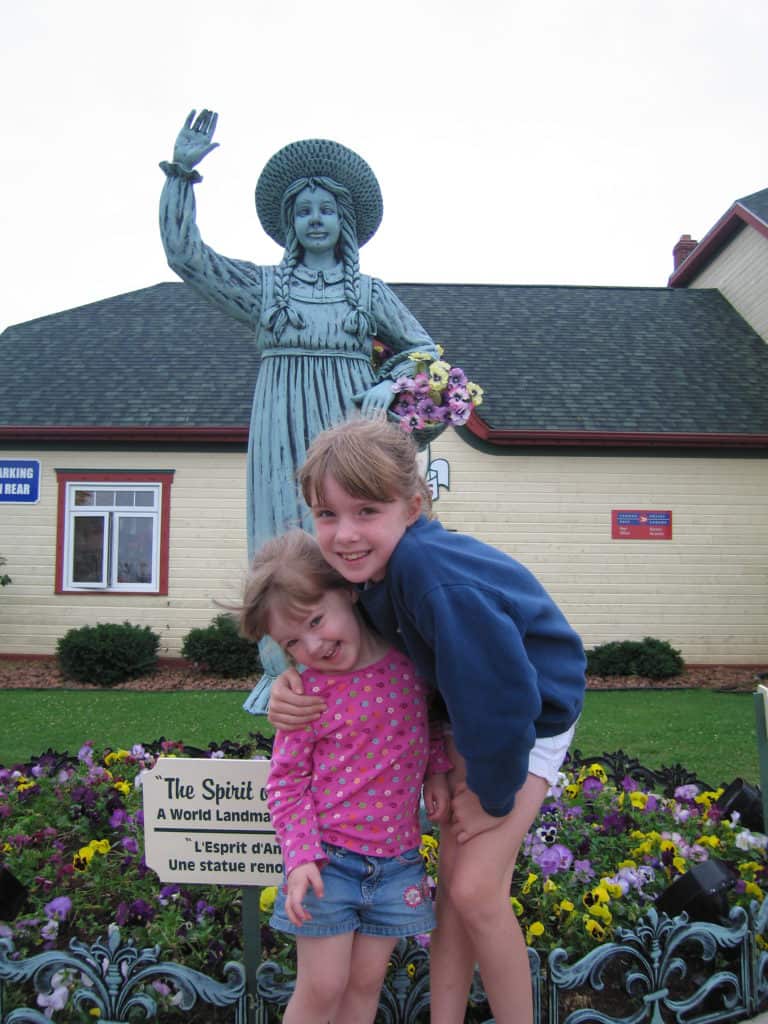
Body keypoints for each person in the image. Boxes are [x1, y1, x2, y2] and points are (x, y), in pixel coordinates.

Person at [267, 416, 587, 1024]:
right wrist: (291, 673)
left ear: (413, 506)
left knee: (474, 890)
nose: (344, 533)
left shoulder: (431, 576)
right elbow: (303, 608)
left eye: (365, 510)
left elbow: (501, 698)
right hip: (470, 712)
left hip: (530, 716)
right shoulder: (369, 568)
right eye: (327, 515)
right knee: (454, 892)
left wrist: (492, 797)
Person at [159, 109, 440, 710]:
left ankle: (372, 657)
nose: (316, 219)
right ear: (289, 223)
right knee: (283, 533)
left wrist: (389, 385)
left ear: (346, 222)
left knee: (356, 536)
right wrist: (181, 174)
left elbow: (424, 351)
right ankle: (283, 667)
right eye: (304, 210)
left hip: (348, 424)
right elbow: (188, 259)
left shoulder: (368, 293)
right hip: (281, 418)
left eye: (327, 209)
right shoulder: (266, 290)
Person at [238, 528, 452, 1024]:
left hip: (397, 861)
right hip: (327, 865)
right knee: (323, 987)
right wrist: (299, 858)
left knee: (363, 987)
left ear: (347, 591)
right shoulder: (305, 695)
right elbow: (285, 783)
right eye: (293, 640)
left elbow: (431, 722)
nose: (313, 644)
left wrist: (437, 774)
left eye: (316, 619)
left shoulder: (410, 665)